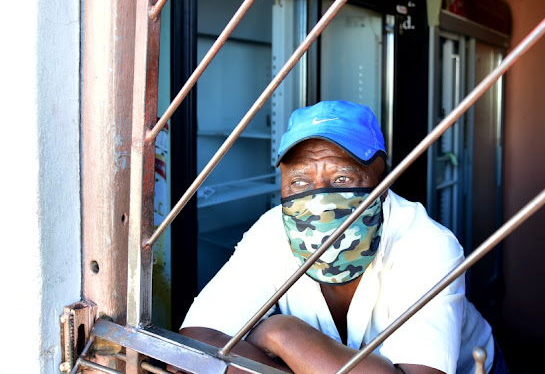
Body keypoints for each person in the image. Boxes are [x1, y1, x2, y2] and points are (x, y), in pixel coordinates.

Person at [180, 100, 507, 373]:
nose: (319, 202)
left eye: (341, 179)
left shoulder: (427, 245)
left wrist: (282, 332)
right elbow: (196, 341)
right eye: (301, 183)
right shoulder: (272, 231)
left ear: (381, 180)